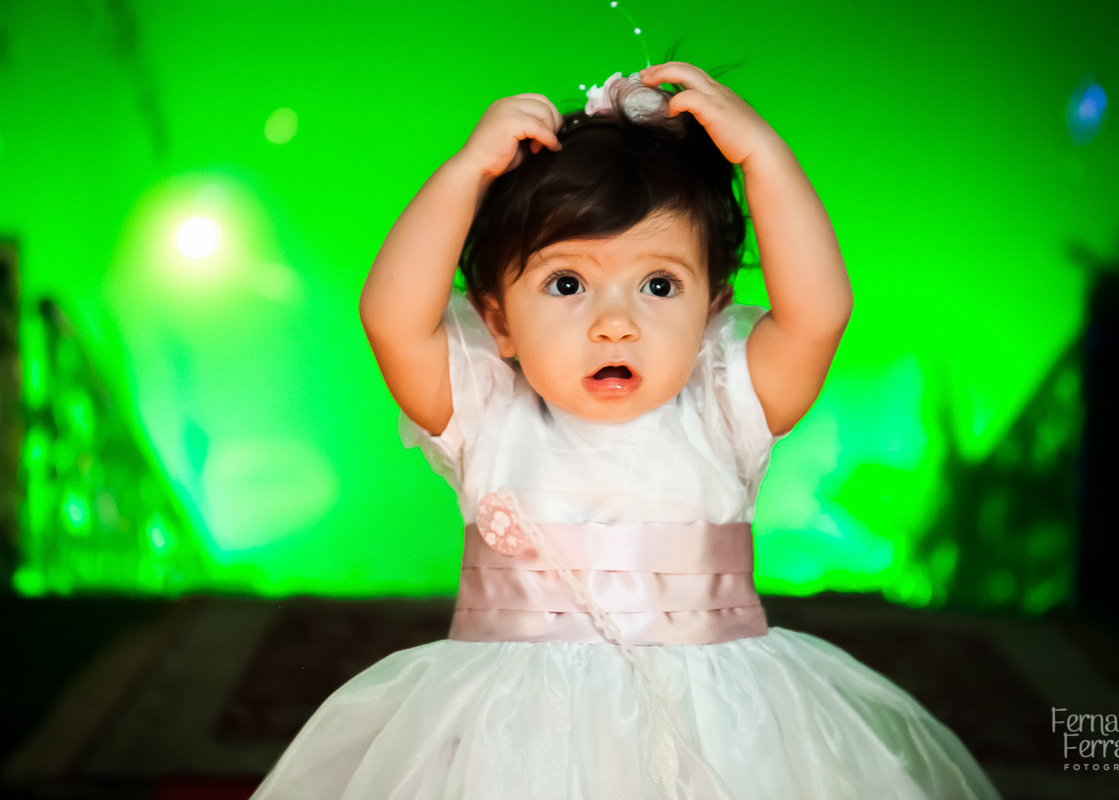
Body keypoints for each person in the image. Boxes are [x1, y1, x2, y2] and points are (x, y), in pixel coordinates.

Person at [252, 62, 1002, 799]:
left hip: (718, 728)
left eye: (659, 285)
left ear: (712, 309)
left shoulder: (725, 403)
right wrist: (464, 172)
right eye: (567, 283)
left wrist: (763, 157)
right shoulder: (485, 411)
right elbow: (390, 316)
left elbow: (817, 314)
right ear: (498, 318)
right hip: (513, 739)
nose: (616, 324)